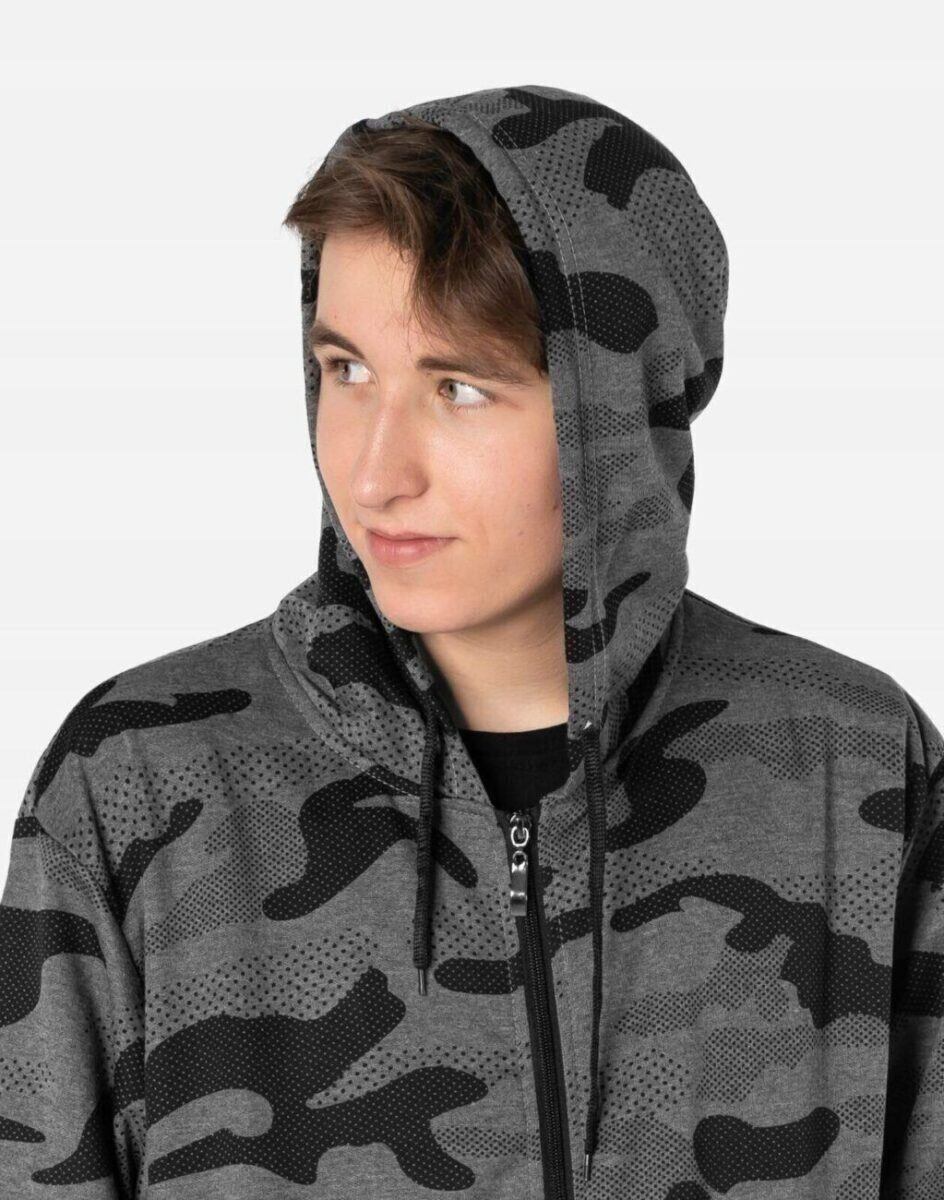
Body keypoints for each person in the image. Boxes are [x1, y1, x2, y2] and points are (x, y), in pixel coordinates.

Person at [0, 83, 940, 1200]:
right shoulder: (137, 781)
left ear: (618, 410)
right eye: (346, 370)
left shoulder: (854, 767)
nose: (372, 473)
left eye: (457, 388)